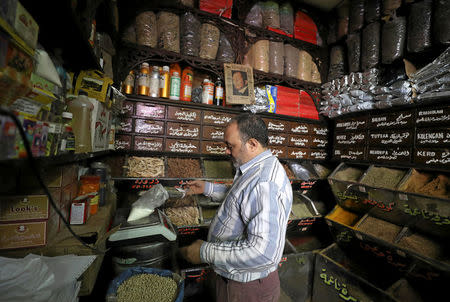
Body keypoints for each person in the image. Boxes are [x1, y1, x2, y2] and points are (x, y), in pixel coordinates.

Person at [180, 113, 293, 302]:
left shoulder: (264, 183)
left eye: (231, 146)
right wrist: (208, 188)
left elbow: (263, 254)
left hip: (247, 289)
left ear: (253, 144)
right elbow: (243, 198)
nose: (227, 151)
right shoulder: (256, 168)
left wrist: (204, 252)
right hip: (236, 282)